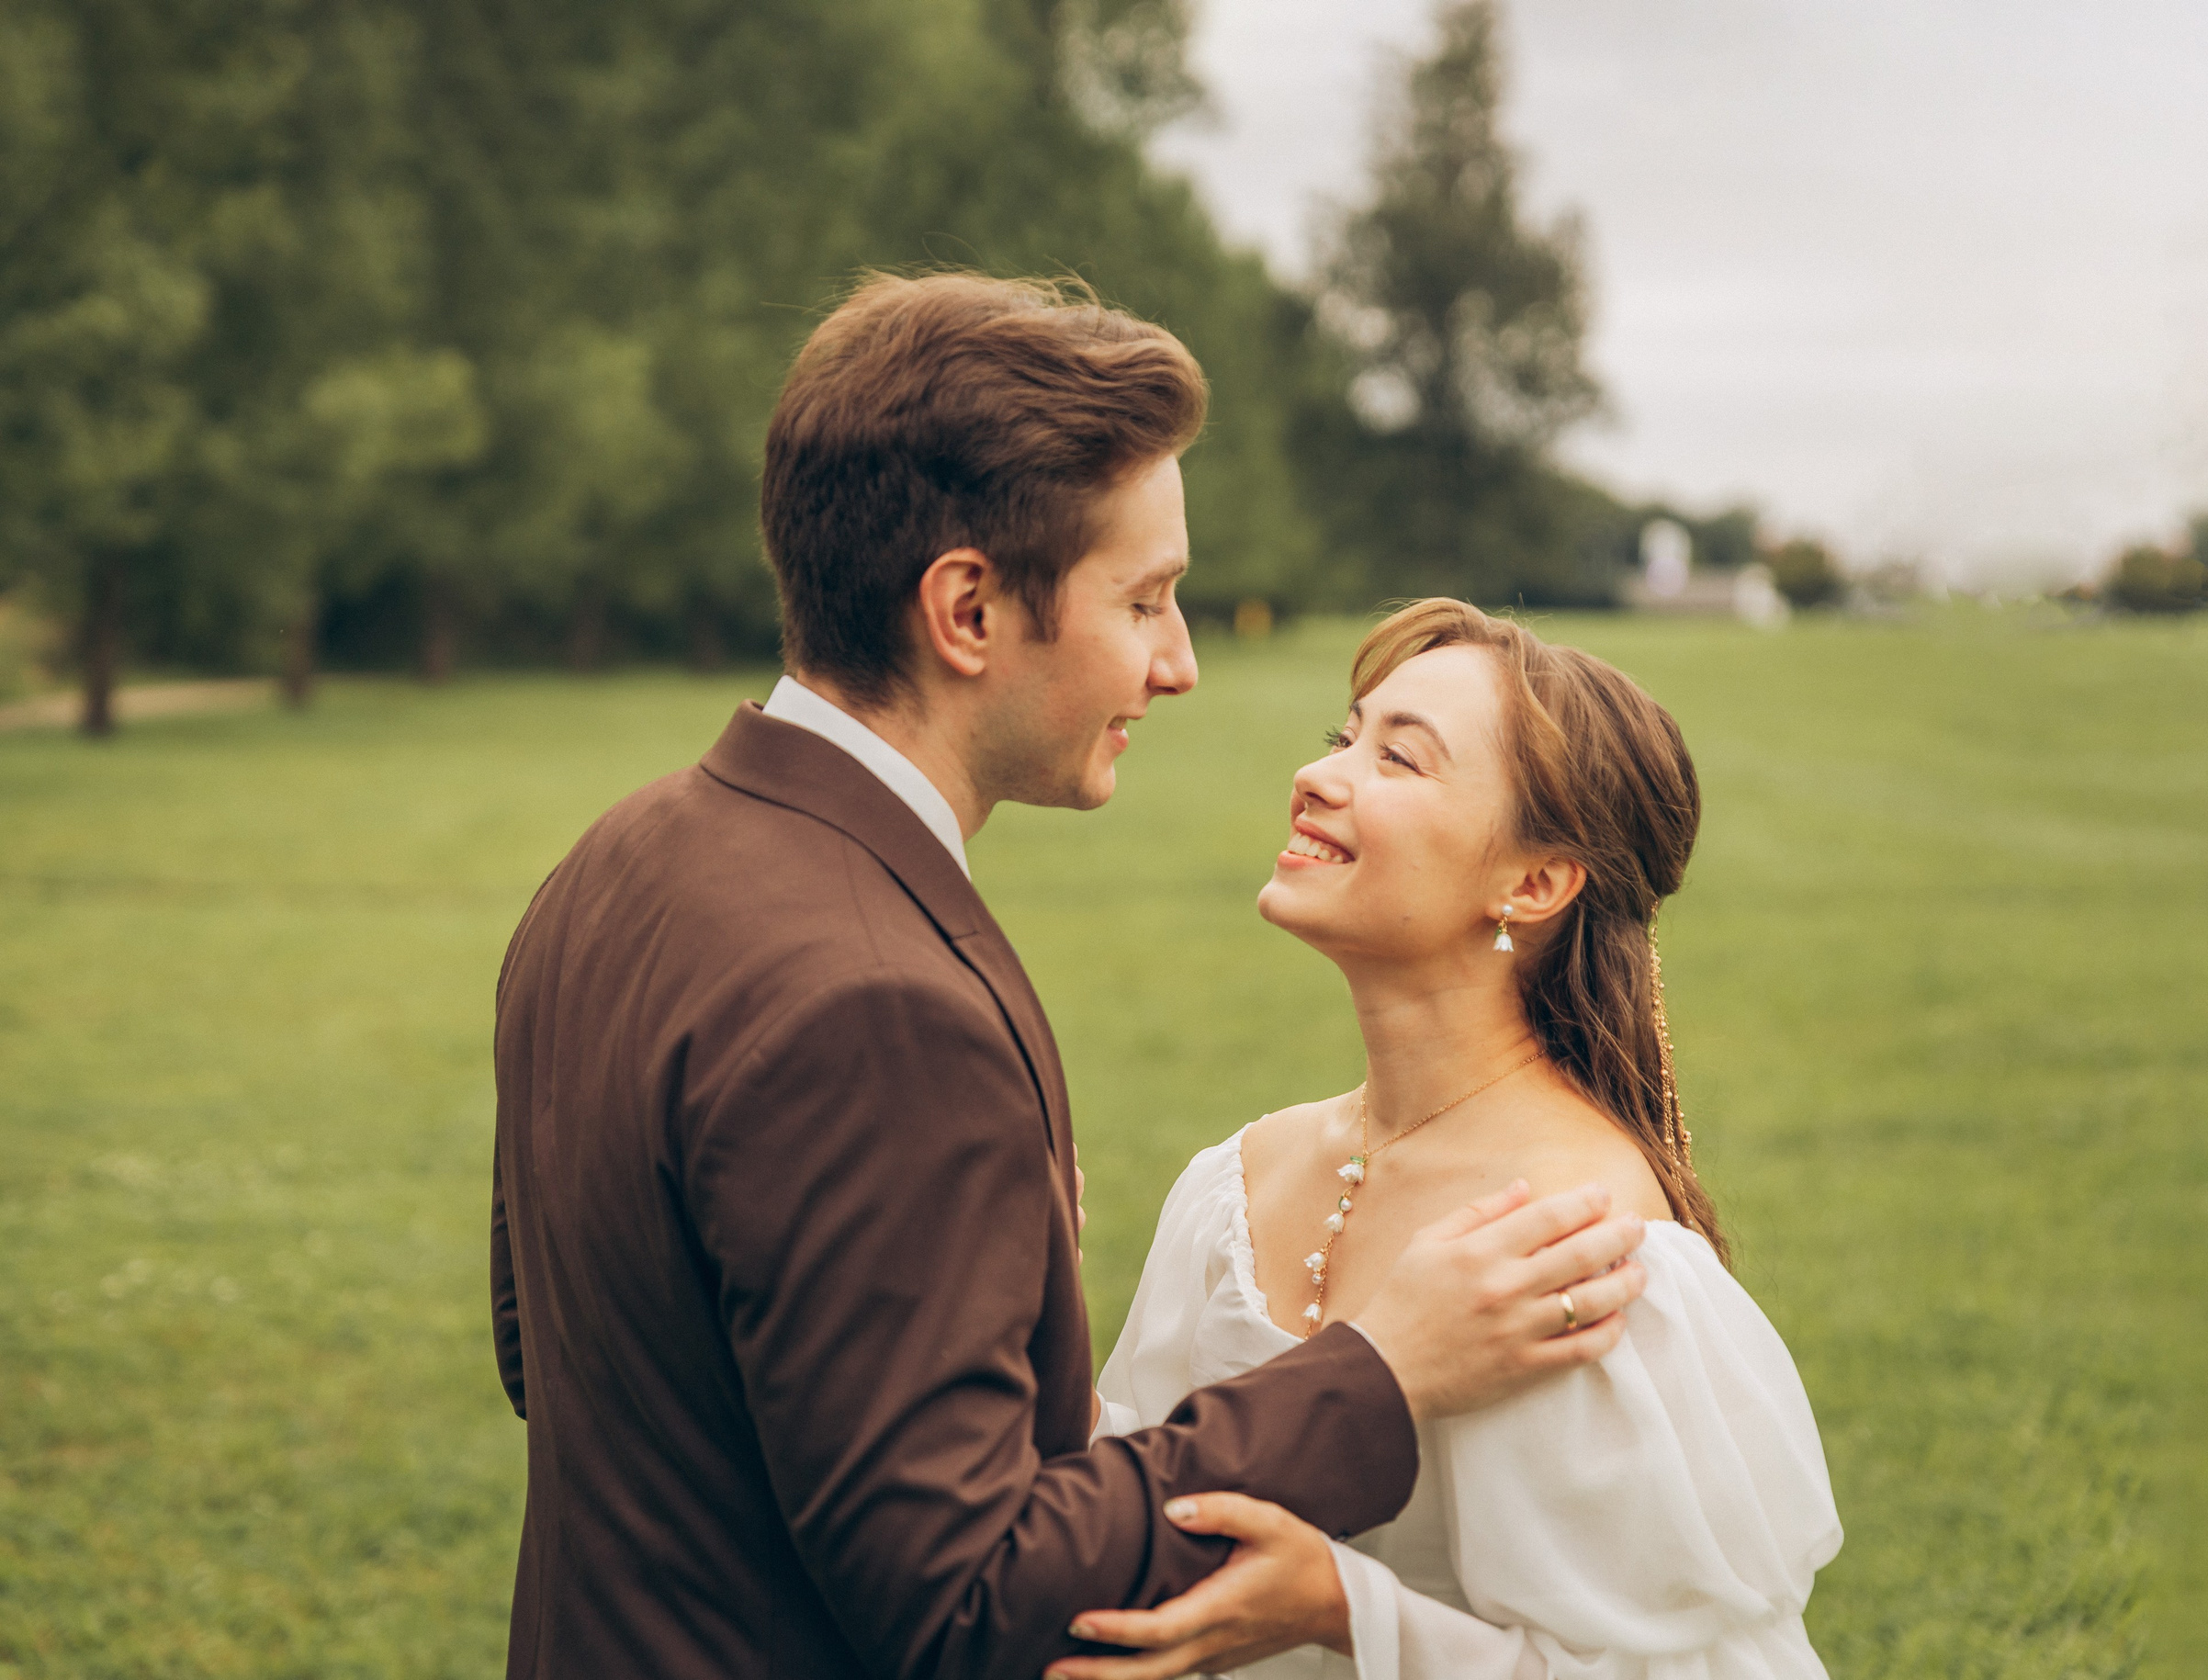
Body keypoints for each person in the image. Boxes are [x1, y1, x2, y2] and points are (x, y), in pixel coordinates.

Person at [489, 276, 1651, 1680]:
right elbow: (970, 1605)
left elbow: (546, 1341)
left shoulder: (619, 859)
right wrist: (1381, 1369)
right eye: (1147, 598)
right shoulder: (882, 1012)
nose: (1181, 663)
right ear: (969, 610)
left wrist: (935, 1285)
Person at [1065, 600, 1842, 1680]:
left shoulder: (1582, 1252)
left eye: (1400, 759)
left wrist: (1350, 1612)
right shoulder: (1234, 1180)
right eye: (1345, 736)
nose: (1319, 774)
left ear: (1532, 882)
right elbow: (1118, 1513)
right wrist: (1028, 1313)